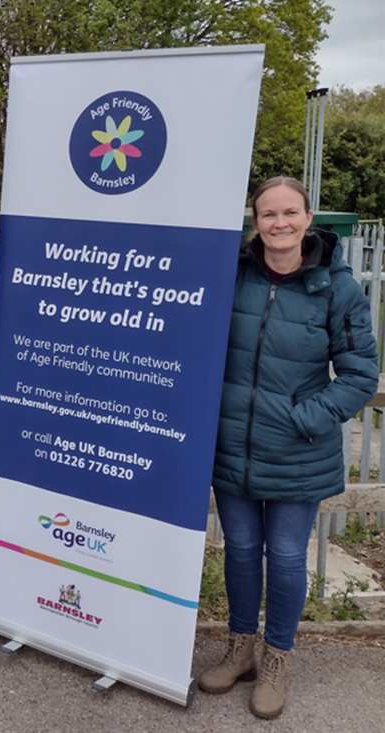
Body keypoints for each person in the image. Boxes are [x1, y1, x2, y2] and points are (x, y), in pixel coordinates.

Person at [199, 177, 378, 718]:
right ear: (256, 221)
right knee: (242, 552)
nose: (279, 223)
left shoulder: (338, 288)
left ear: (307, 216)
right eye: (268, 214)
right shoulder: (233, 276)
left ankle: (276, 656)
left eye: (289, 212)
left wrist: (304, 418)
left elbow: (358, 374)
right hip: (233, 446)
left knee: (286, 556)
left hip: (297, 450)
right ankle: (240, 647)